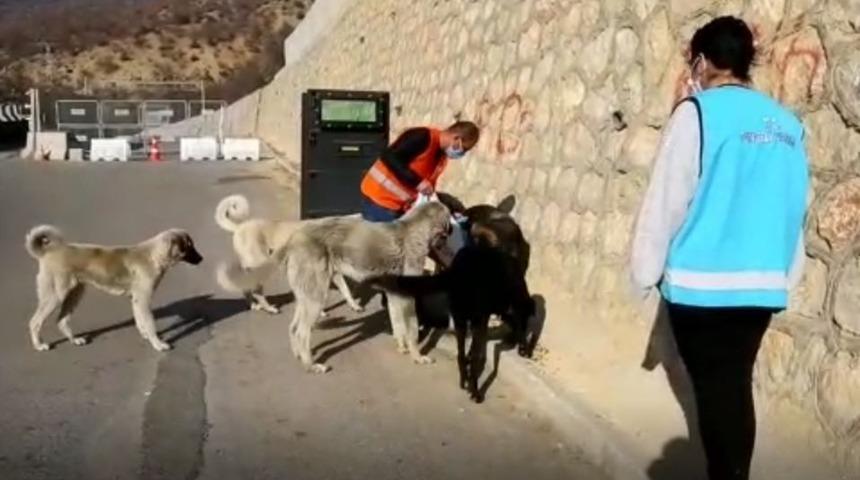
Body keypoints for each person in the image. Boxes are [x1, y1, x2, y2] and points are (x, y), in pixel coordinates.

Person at [629, 16, 809, 480]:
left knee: (713, 393)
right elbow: (795, 207)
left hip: (701, 288)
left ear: (703, 61)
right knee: (735, 388)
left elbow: (667, 198)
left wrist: (643, 273)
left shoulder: (697, 112)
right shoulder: (789, 125)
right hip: (760, 289)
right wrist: (787, 275)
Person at [360, 121, 480, 222]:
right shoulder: (422, 137)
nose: (462, 153)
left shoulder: (440, 156)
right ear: (456, 138)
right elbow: (390, 157)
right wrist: (418, 182)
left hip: (399, 207)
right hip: (379, 201)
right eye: (463, 148)